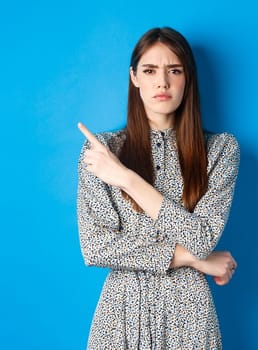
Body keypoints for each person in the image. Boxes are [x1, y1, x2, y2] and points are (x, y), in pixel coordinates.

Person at [77, 27, 239, 349]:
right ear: (134, 77)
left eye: (174, 70)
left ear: (187, 78)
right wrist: (196, 261)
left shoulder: (221, 150)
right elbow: (95, 247)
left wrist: (126, 178)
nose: (162, 82)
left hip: (190, 316)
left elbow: (201, 238)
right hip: (120, 315)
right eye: (150, 70)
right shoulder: (101, 151)